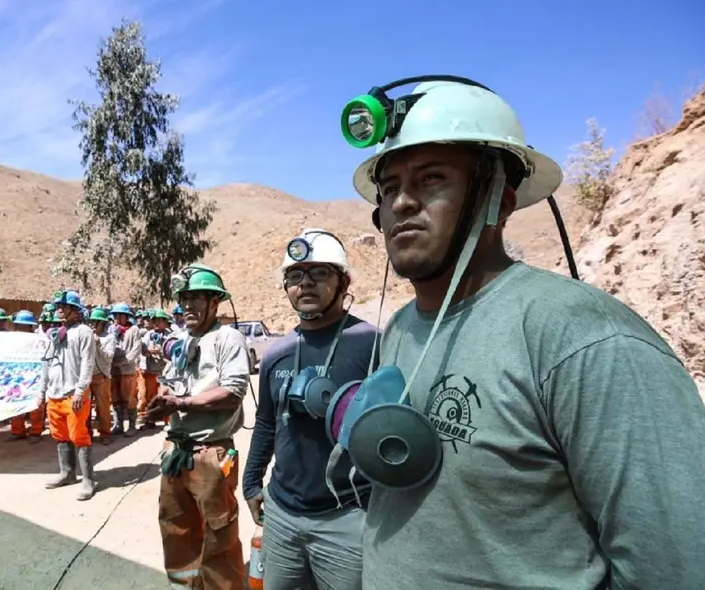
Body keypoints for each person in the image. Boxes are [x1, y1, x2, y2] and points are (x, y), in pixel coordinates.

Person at [343, 78, 705, 588]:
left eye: (431, 179)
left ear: (500, 199)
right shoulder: (400, 328)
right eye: (389, 187)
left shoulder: (581, 337)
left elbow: (672, 564)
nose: (401, 203)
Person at [242, 229, 376, 589]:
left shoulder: (372, 345)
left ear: (343, 281)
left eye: (319, 273)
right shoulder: (276, 353)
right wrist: (252, 481)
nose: (305, 284)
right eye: (295, 276)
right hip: (282, 516)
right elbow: (266, 423)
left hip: (347, 519)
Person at [145, 263, 249, 589]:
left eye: (196, 298)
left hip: (211, 453)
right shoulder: (180, 340)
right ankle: (186, 585)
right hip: (175, 450)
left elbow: (233, 391)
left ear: (214, 302)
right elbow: (169, 383)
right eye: (184, 298)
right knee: (176, 527)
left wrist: (183, 403)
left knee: (219, 536)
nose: (187, 305)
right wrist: (163, 398)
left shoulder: (227, 338)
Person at [39, 290, 98, 501]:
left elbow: (87, 363)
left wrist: (81, 391)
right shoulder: (55, 334)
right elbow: (46, 363)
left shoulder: (84, 332)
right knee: (60, 436)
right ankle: (67, 473)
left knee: (79, 436)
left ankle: (88, 480)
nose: (60, 311)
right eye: (58, 307)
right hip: (54, 395)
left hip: (73, 393)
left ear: (75, 310)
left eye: (64, 307)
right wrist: (42, 391)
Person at [8, 310, 45, 442]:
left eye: (22, 325)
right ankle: (17, 431)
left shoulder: (39, 341)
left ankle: (36, 431)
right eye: (17, 325)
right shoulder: (12, 340)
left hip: (34, 377)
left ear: (30, 326)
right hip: (17, 377)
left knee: (36, 405)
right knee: (15, 404)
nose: (19, 328)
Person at [109, 302, 141, 436]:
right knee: (115, 398)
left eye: (119, 315)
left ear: (125, 316)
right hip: (113, 370)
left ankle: (132, 425)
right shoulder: (112, 330)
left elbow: (135, 350)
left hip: (127, 370)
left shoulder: (134, 330)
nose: (116, 318)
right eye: (115, 315)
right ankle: (118, 424)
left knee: (129, 398)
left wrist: (123, 362)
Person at [137, 308, 171, 430]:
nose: (156, 323)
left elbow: (172, 353)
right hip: (150, 371)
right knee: (149, 397)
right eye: (154, 320)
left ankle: (168, 422)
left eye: (159, 320)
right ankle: (149, 421)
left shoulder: (170, 335)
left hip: (165, 372)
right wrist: (149, 352)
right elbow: (143, 351)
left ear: (165, 321)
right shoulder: (147, 335)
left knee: (165, 397)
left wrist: (161, 352)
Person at [88, 307, 117, 445]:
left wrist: (98, 343)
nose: (93, 324)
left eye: (96, 322)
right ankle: (87, 433)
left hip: (101, 376)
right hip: (86, 376)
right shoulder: (86, 335)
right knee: (85, 408)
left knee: (103, 407)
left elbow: (108, 357)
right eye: (92, 321)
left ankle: (105, 432)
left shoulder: (109, 338)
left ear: (102, 323)